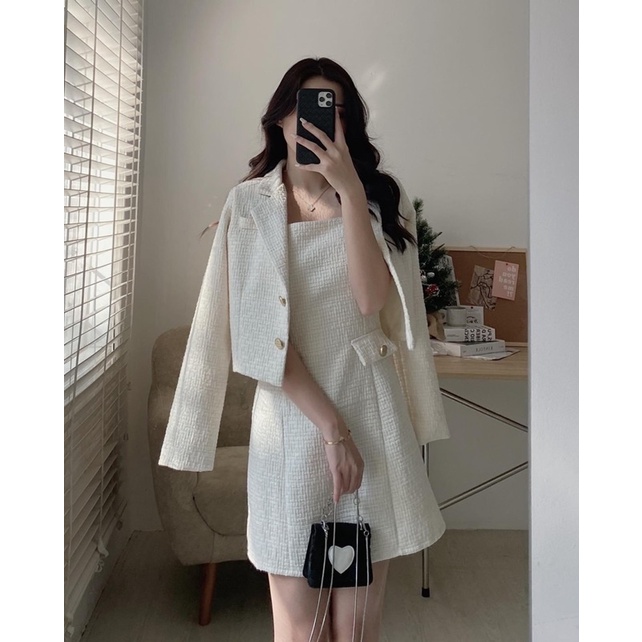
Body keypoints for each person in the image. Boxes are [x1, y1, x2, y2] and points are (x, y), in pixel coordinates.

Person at [159, 57, 450, 642]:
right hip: (291, 424)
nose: (318, 120)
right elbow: (263, 337)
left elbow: (370, 302)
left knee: (356, 630)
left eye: (333, 109)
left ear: (348, 123)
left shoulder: (377, 202)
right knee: (300, 631)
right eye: (306, 106)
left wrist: (350, 191)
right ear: (281, 118)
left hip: (371, 410)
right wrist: (333, 433)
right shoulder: (249, 206)